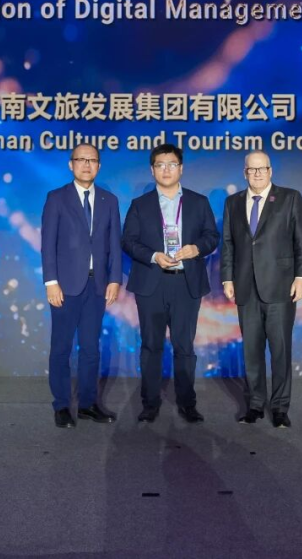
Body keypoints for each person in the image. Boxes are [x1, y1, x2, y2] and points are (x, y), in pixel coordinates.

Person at [122, 144, 219, 424]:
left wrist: (196, 248)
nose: (166, 169)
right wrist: (154, 256)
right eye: (160, 165)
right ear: (152, 170)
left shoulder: (199, 202)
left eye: (172, 164)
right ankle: (150, 404)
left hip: (186, 284)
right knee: (151, 346)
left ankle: (187, 403)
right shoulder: (140, 205)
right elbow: (128, 241)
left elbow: (212, 237)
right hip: (151, 284)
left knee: (184, 347)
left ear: (181, 168)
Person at [221, 151, 302, 429]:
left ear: (270, 171)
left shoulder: (290, 198)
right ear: (245, 172)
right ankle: (255, 404)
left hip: (280, 287)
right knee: (251, 351)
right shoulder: (233, 202)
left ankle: (280, 407)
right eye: (252, 169)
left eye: (262, 169)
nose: (258, 174)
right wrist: (227, 279)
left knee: (280, 351)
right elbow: (228, 243)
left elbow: (301, 241)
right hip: (245, 287)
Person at [41, 143, 122, 428]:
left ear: (99, 166)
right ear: (71, 164)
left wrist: (114, 279)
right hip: (65, 286)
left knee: (90, 348)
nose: (87, 165)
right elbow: (47, 244)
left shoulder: (109, 200)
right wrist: (51, 282)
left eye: (92, 160)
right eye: (81, 159)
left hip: (96, 286)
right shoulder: (56, 198)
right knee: (61, 348)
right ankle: (62, 405)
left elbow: (114, 244)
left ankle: (88, 404)